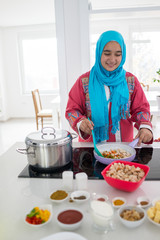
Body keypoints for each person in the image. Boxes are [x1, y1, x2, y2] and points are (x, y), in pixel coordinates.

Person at [65, 30, 153, 146]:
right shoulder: (84, 81)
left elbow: (141, 109)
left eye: (117, 54)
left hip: (124, 148)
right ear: (99, 52)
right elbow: (72, 110)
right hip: (92, 148)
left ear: (123, 54)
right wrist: (80, 122)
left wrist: (145, 127)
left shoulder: (130, 81)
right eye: (107, 53)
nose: (112, 60)